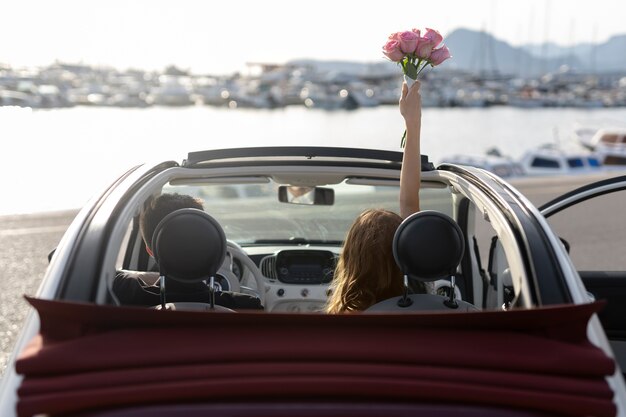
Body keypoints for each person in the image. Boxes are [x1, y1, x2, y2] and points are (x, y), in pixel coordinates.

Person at [326, 81, 424, 313]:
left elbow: (409, 201)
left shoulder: (340, 325)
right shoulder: (425, 310)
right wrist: (413, 122)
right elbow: (409, 201)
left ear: (351, 260)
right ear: (404, 255)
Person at [113, 193, 263, 310]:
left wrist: (152, 276)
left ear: (150, 251)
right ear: (213, 247)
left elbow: (112, 274)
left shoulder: (124, 293)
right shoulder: (247, 306)